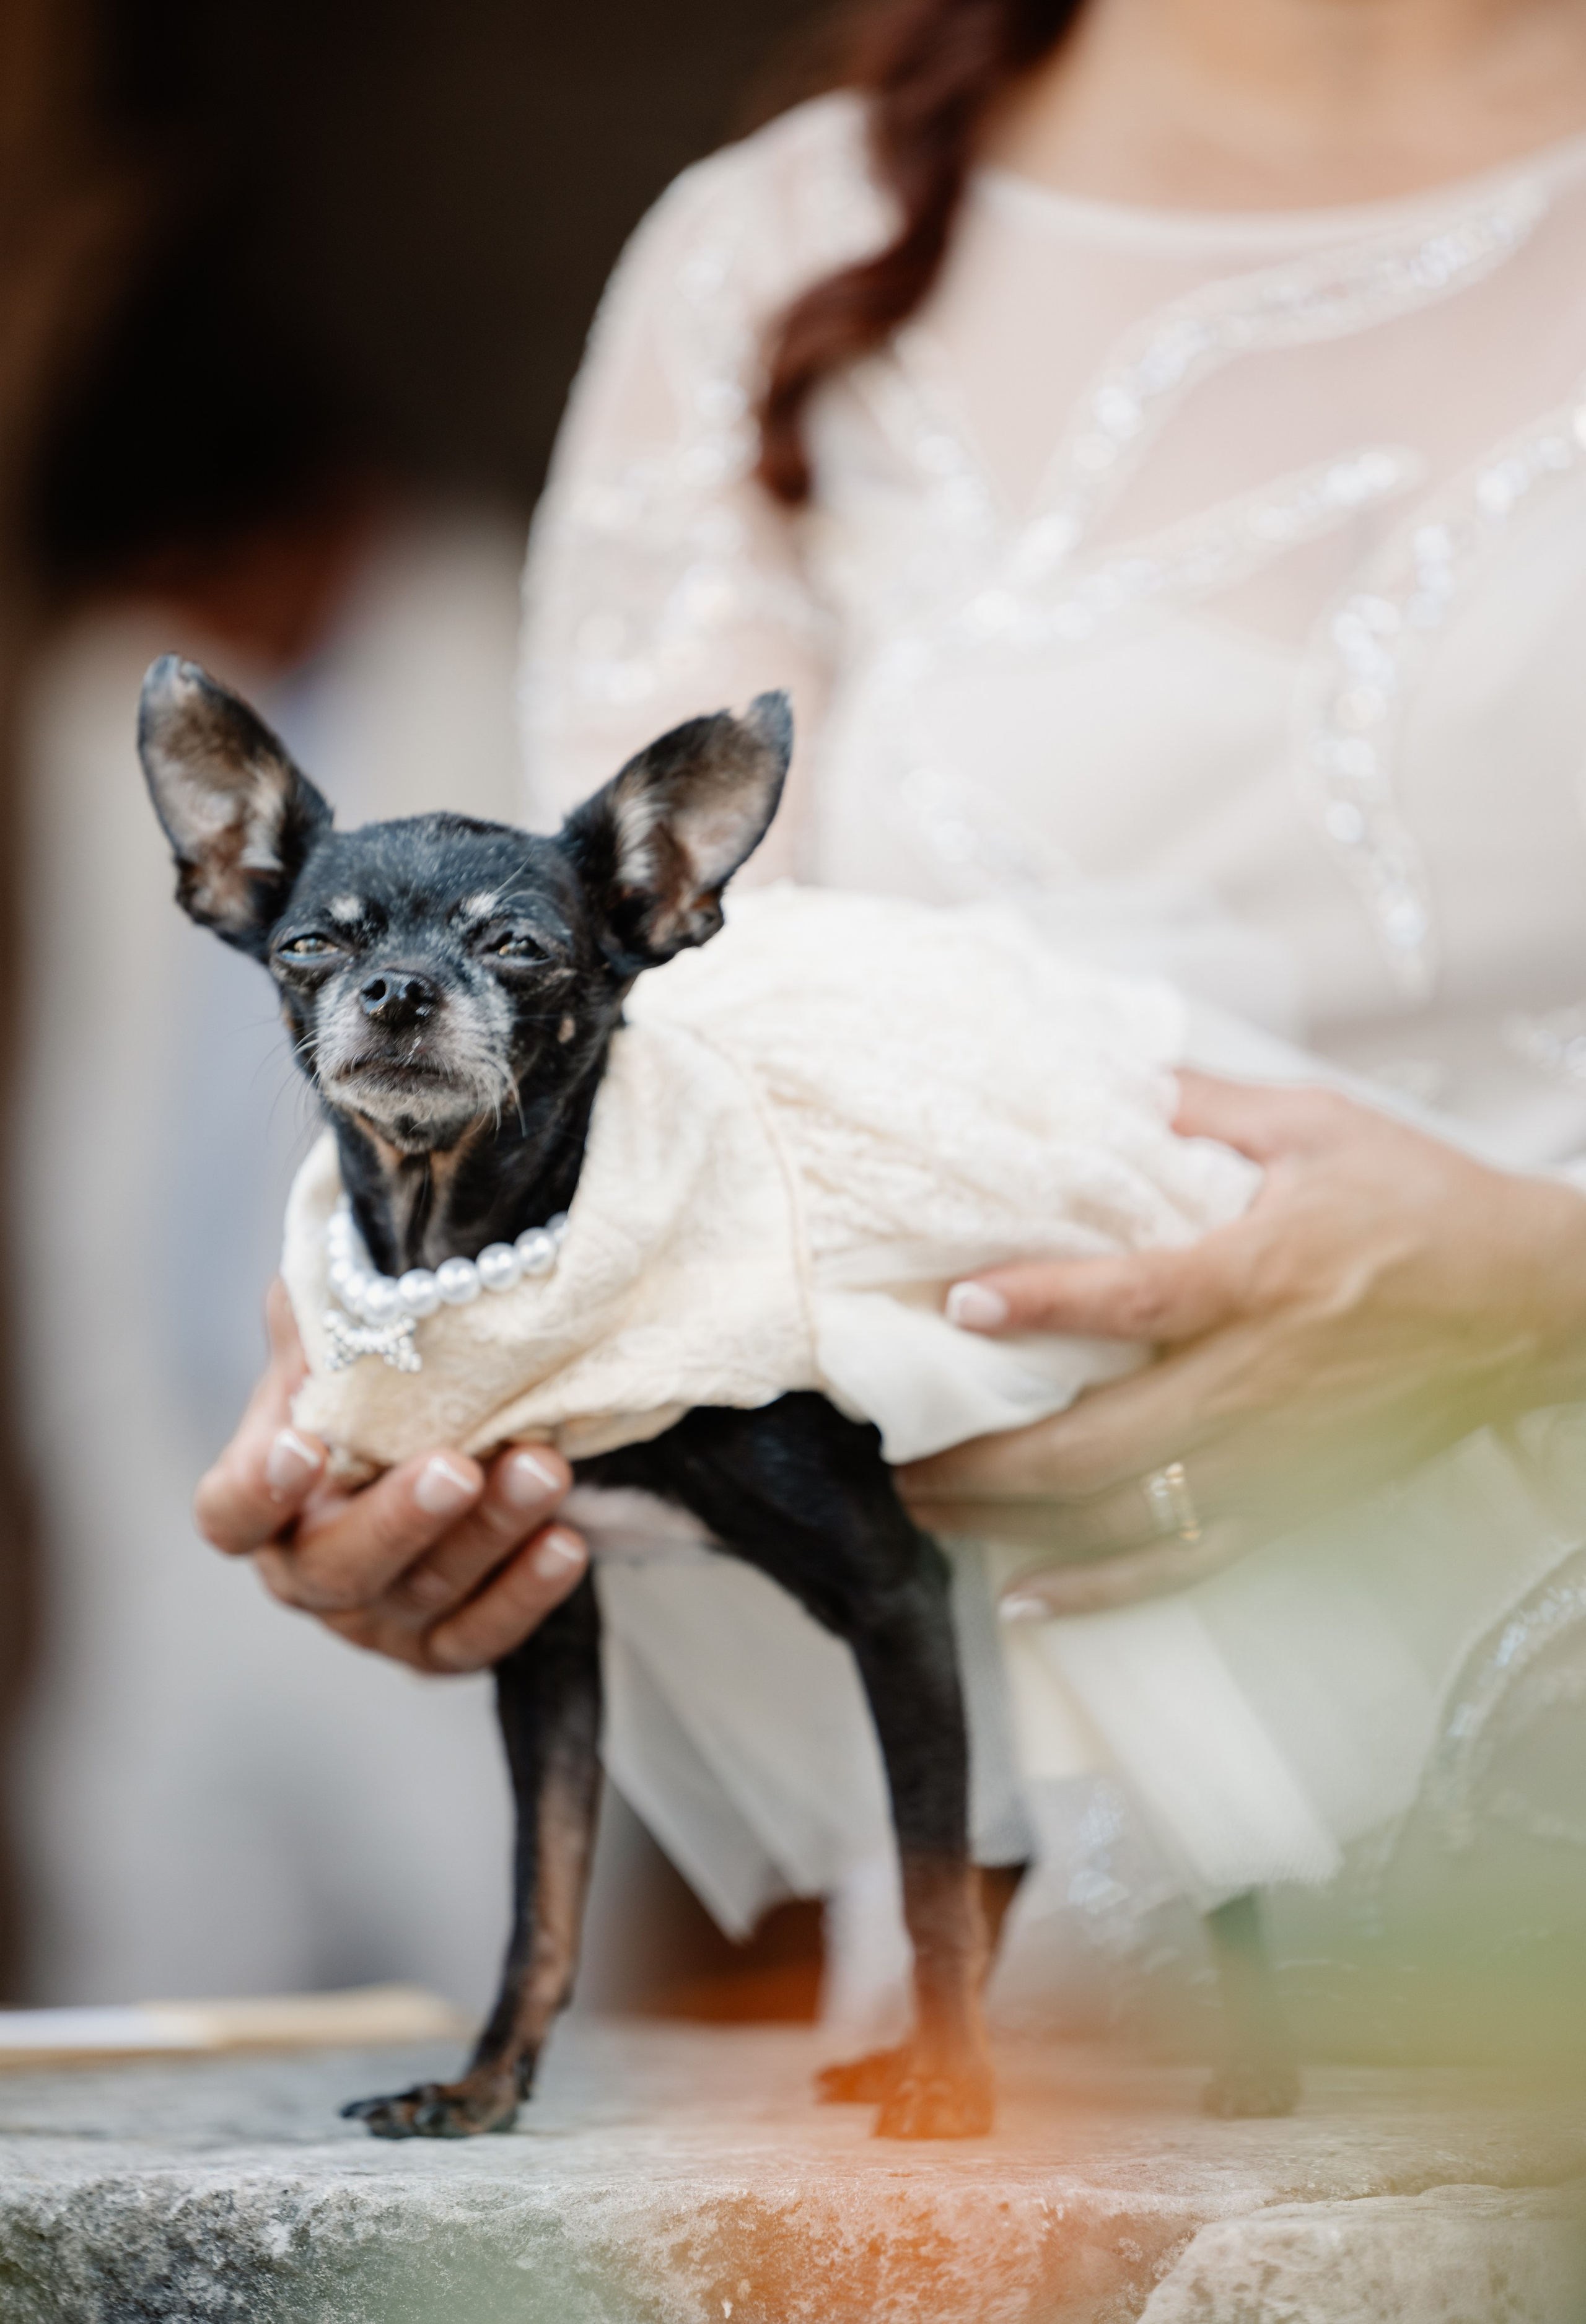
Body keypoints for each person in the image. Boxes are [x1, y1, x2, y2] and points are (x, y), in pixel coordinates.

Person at [200, 0, 1586, 2034]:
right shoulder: (768, 254)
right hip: (1069, 1774)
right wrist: (423, 1400)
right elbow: (636, 1077)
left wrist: (1532, 1280)